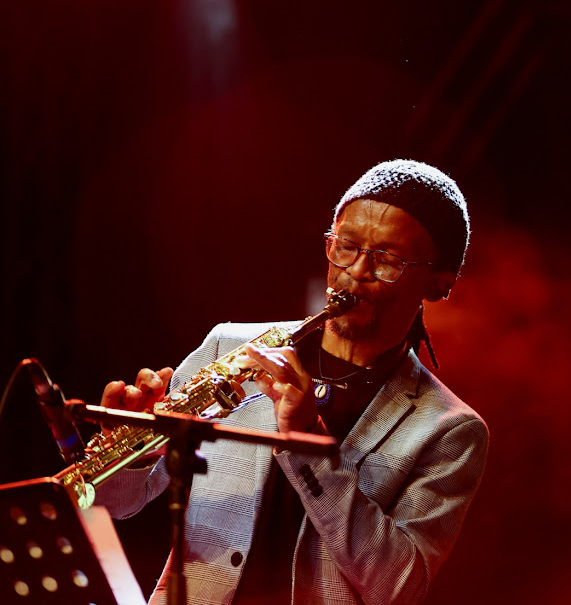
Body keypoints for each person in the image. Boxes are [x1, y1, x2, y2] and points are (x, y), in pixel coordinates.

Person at [96, 159, 489, 605]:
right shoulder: (229, 346)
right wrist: (128, 449)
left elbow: (398, 588)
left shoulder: (451, 430)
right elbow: (117, 504)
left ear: (439, 284)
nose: (355, 271)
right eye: (345, 245)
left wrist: (308, 443)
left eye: (388, 260)